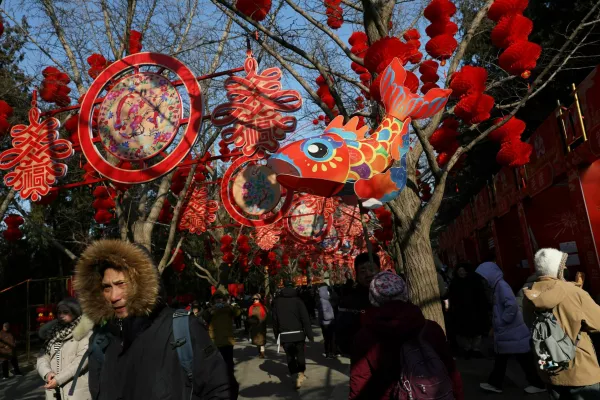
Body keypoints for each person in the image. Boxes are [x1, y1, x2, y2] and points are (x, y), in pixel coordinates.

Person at [74, 239, 233, 400]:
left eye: (122, 284)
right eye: (106, 287)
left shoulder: (182, 328)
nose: (114, 296)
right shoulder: (103, 339)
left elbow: (219, 391)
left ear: (143, 282)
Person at [349, 271, 464, 400]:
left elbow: (359, 380)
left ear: (373, 297)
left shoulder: (365, 336)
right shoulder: (431, 328)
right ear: (405, 293)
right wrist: (458, 395)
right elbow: (450, 369)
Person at [523, 248, 600, 399]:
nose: (565, 268)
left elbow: (529, 322)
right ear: (556, 268)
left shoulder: (529, 295)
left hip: (548, 367)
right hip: (578, 369)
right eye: (563, 265)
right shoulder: (574, 293)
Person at [475, 262, 546, 394]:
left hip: (510, 331)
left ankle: (536, 384)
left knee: (515, 359)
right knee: (515, 358)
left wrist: (502, 322)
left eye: (484, 276)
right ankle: (496, 383)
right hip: (511, 332)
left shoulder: (500, 286)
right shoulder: (499, 285)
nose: (483, 279)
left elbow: (511, 306)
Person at [37, 298, 94, 400]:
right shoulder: (52, 332)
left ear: (75, 312)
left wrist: (58, 379)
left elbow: (81, 361)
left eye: (66, 312)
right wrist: (47, 373)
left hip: (75, 390)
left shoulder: (85, 332)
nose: (61, 315)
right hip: (53, 390)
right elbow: (42, 357)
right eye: (59, 312)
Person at [335, 253, 380, 357]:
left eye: (372, 269)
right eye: (363, 271)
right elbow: (342, 339)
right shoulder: (349, 301)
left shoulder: (394, 296)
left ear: (380, 270)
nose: (368, 274)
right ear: (357, 275)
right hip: (363, 360)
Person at [272, 282, 314, 390]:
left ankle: (294, 375)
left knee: (290, 356)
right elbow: (305, 319)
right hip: (298, 334)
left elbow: (275, 321)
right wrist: (310, 335)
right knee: (300, 355)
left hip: (285, 334)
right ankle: (300, 373)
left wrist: (277, 336)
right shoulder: (298, 301)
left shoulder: (277, 302)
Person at [448, 262, 489, 358]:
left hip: (475, 311)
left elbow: (481, 296)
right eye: (459, 271)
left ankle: (475, 349)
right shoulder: (455, 283)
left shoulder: (474, 281)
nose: (461, 273)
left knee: (477, 331)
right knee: (464, 332)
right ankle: (468, 348)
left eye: (463, 270)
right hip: (462, 312)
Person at [202, 292, 241, 386]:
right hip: (215, 341)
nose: (219, 300)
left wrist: (230, 306)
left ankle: (229, 383)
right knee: (217, 364)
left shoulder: (228, 308)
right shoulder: (210, 310)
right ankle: (219, 383)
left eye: (221, 299)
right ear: (213, 301)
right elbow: (204, 316)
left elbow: (238, 313)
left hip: (227, 340)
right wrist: (210, 309)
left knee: (229, 365)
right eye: (217, 299)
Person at [316, 284, 337, 358]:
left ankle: (330, 352)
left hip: (327, 323)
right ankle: (329, 353)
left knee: (329, 338)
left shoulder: (325, 300)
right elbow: (325, 315)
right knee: (329, 339)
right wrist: (332, 316)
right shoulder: (323, 301)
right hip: (327, 323)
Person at [248, 294, 267, 359]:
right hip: (254, 326)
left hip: (261, 326)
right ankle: (259, 351)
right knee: (257, 341)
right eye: (254, 299)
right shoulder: (251, 307)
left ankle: (262, 352)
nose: (255, 300)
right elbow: (249, 316)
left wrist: (261, 321)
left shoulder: (263, 307)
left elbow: (265, 316)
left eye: (257, 299)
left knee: (261, 341)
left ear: (259, 300)